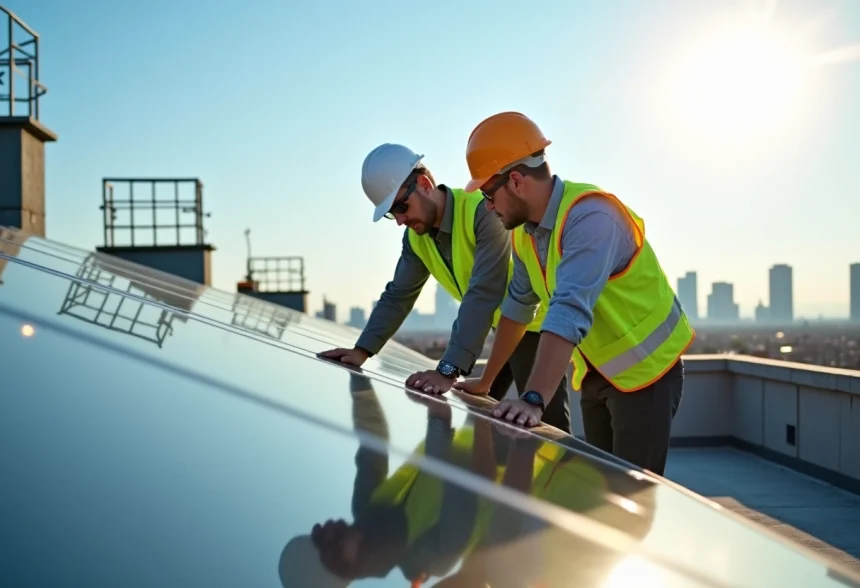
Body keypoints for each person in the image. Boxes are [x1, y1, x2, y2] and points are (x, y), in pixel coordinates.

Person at [454, 112, 695, 475]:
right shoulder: (525, 235)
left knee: (631, 494)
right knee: (599, 489)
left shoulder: (592, 217)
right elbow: (518, 308)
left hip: (647, 374)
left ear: (516, 181)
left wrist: (533, 398)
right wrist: (487, 382)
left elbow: (568, 309)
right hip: (598, 374)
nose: (487, 206)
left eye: (489, 194)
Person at [319, 143, 571, 433]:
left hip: (533, 327)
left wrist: (448, 369)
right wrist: (362, 350)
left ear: (425, 185)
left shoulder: (482, 211)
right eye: (391, 214)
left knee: (546, 425)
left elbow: (483, 291)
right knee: (479, 421)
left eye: (401, 207)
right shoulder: (416, 238)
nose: (400, 221)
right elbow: (398, 295)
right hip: (493, 328)